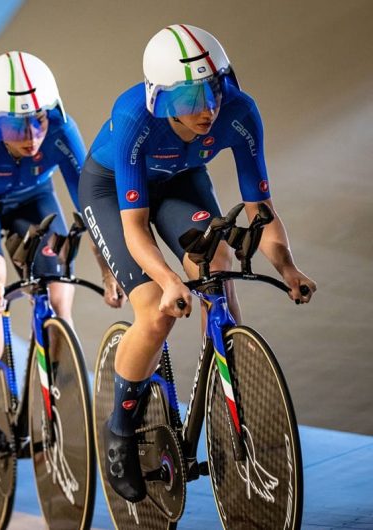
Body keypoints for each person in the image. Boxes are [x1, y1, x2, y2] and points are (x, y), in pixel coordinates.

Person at [78, 24, 317, 502]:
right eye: (188, 100)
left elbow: (260, 211)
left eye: (211, 91)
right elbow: (135, 227)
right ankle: (120, 430)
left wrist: (287, 267)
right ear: (160, 101)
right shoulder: (133, 117)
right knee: (155, 309)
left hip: (182, 180)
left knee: (218, 260)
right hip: (113, 192)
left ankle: (228, 387)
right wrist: (166, 280)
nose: (206, 108)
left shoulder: (239, 110)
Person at [0, 51, 110, 451]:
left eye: (38, 120)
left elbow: (92, 203)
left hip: (32, 199)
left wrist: (106, 268)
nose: (32, 135)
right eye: (16, 126)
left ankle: (45, 385)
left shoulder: (61, 130)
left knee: (57, 289)